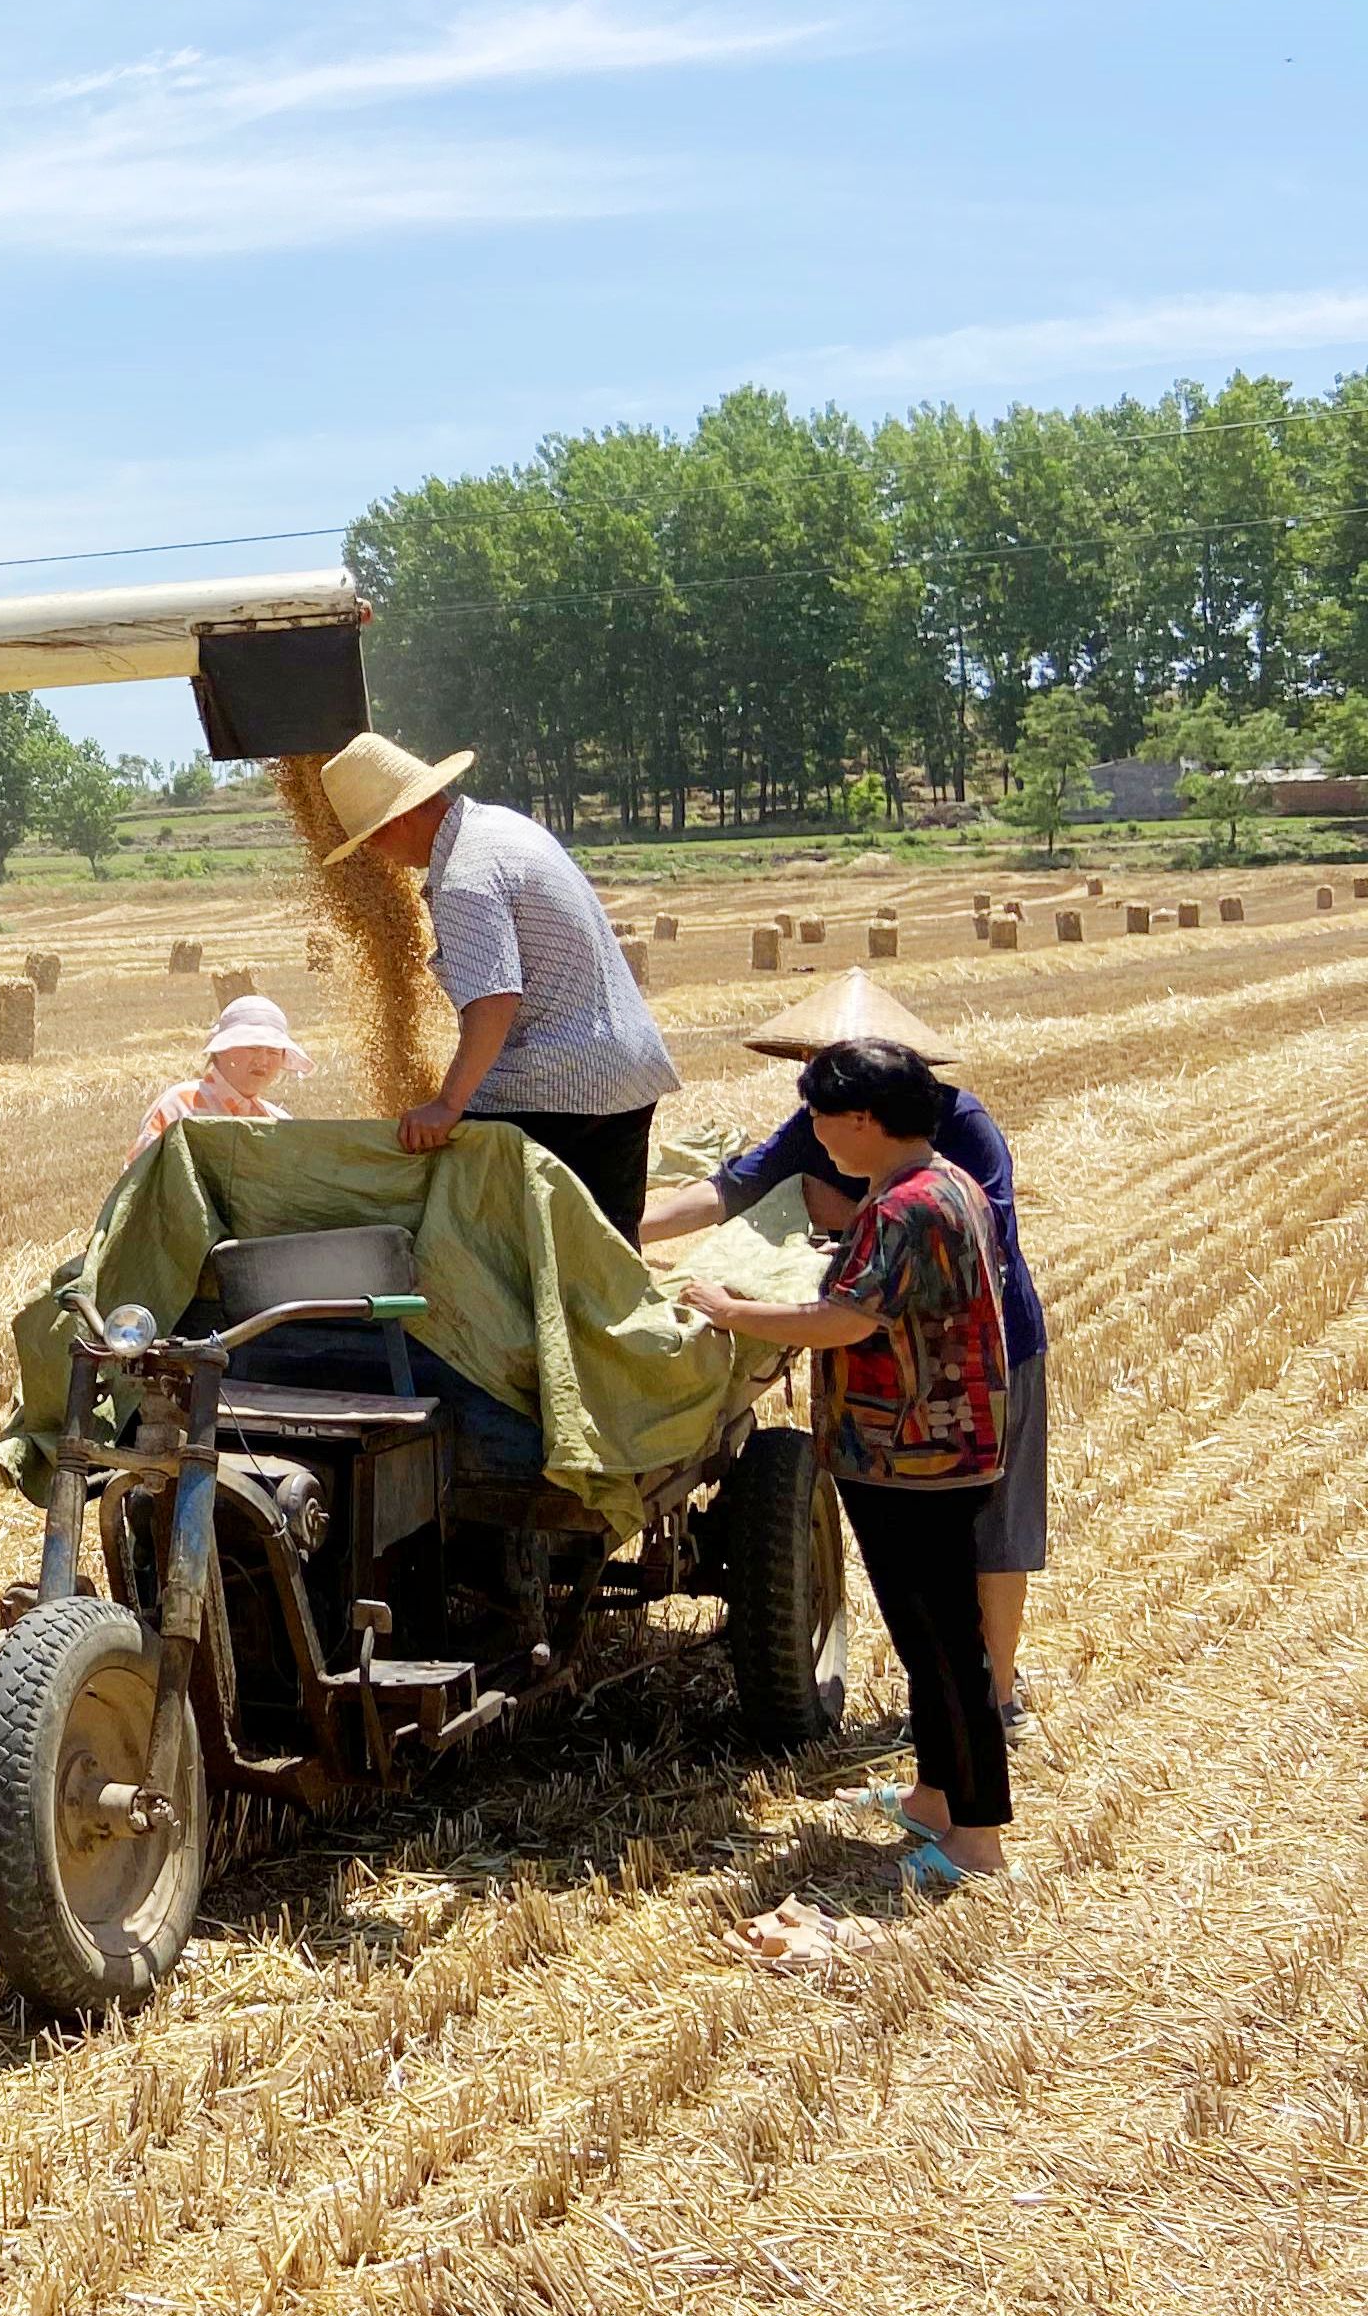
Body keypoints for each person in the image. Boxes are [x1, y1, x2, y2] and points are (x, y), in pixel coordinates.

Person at [638, 972, 1050, 1732]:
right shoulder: (820, 1126)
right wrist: (627, 1232)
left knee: (991, 1536)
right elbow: (736, 1188)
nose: (809, 1098)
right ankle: (956, 1725)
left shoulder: (958, 1134)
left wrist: (842, 1227)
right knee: (924, 1559)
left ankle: (992, 1704)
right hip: (891, 1373)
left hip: (982, 1359)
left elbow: (951, 1245)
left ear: (870, 1100)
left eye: (825, 1079)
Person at [681, 1037, 1014, 1884]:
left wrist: (733, 1309)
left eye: (825, 1122)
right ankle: (934, 1801)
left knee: (945, 1646)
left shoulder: (905, 1207)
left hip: (914, 1452)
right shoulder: (944, 1184)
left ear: (864, 1119)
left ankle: (977, 1843)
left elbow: (844, 1321)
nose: (818, 1138)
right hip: (934, 1444)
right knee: (926, 1637)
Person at [315, 732, 679, 1239]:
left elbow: (494, 1001)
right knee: (608, 1247)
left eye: (371, 838)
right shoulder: (503, 827)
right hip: (626, 1070)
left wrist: (447, 1104)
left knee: (496, 1239)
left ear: (398, 819)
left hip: (558, 1082)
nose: (376, 855)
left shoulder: (463, 878)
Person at [129, 995, 310, 1161]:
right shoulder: (179, 1107)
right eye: (252, 1048)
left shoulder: (279, 1123)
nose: (263, 1060)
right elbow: (138, 1183)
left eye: (273, 1052)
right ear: (223, 1051)